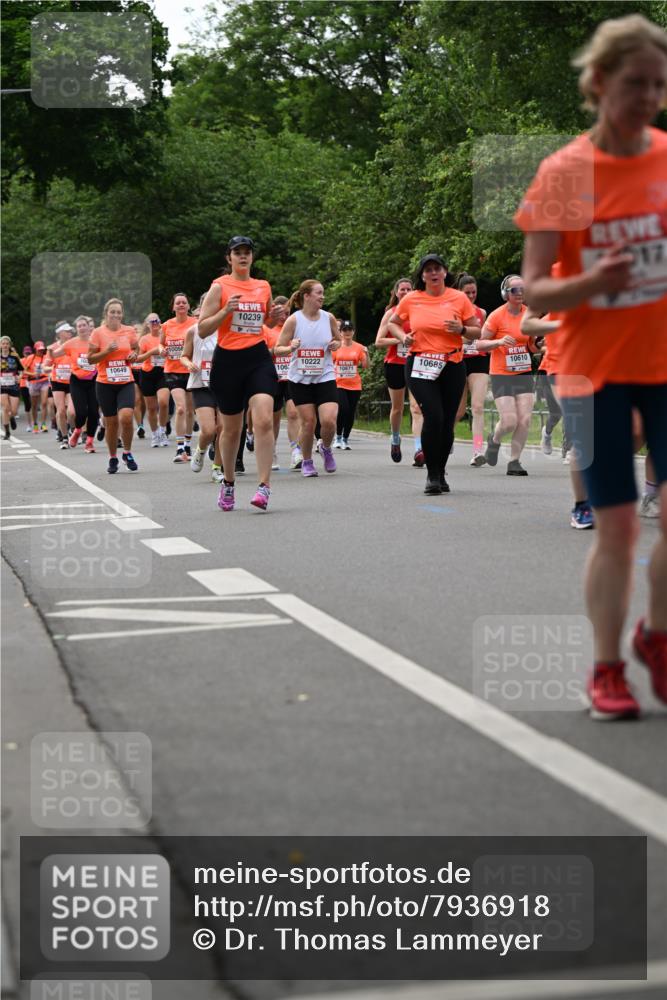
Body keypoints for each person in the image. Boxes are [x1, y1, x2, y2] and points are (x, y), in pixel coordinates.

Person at [516, 13, 667, 719]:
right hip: (595, 368)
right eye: (635, 83)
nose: (647, 98)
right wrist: (589, 285)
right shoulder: (564, 172)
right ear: (598, 82)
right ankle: (606, 666)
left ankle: (655, 638)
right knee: (617, 527)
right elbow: (534, 288)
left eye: (659, 86)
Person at [387, 255, 479, 494]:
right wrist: (402, 337)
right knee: (434, 416)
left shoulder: (458, 298)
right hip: (421, 363)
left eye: (437, 269)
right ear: (423, 275)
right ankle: (431, 475)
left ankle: (440, 471)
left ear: (445, 272)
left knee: (447, 422)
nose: (433, 273)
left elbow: (477, 331)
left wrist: (462, 329)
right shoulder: (412, 299)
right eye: (428, 270)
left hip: (452, 363)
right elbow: (393, 323)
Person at [197, 236, 276, 511]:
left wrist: (272, 319)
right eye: (237, 253)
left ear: (252, 257)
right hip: (228, 361)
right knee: (231, 430)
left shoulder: (262, 287)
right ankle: (228, 482)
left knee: (264, 418)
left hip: (257, 358)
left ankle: (264, 486)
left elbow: (261, 322)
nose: (243, 257)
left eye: (247, 253)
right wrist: (225, 313)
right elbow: (203, 329)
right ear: (229, 258)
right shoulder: (219, 287)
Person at [522, 289, 594, 528]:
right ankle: (582, 505)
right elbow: (528, 325)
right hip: (561, 368)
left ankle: (605, 491)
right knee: (579, 427)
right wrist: (559, 323)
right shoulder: (552, 279)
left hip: (598, 366)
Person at [276, 280, 340, 478]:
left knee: (328, 421)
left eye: (323, 293)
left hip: (325, 375)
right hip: (300, 379)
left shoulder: (328, 318)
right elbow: (278, 348)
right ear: (306, 296)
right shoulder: (294, 320)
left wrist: (335, 345)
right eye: (318, 293)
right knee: (309, 422)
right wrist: (290, 347)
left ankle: (325, 447)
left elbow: (338, 339)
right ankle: (307, 461)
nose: (322, 296)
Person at [476, 275, 537, 476]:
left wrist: (540, 346)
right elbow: (479, 344)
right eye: (514, 290)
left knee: (525, 419)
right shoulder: (496, 316)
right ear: (505, 293)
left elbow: (532, 346)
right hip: (502, 373)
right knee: (510, 420)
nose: (519, 293)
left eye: (522, 289)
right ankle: (494, 439)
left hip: (524, 372)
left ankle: (514, 461)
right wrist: (499, 342)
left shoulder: (530, 314)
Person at [375, 278, 424, 465]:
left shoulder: (419, 312)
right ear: (396, 293)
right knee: (397, 409)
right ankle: (395, 438)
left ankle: (419, 448)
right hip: (395, 364)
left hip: (417, 362)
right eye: (402, 289)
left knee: (416, 408)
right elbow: (379, 341)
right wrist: (400, 339)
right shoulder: (391, 314)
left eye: (408, 289)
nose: (405, 292)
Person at [88, 298, 140, 473]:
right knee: (111, 423)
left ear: (122, 314)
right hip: (105, 383)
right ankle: (113, 457)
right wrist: (107, 351)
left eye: (118, 312)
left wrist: (134, 355)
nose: (116, 315)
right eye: (112, 312)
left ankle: (127, 452)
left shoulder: (129, 331)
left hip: (125, 381)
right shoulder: (97, 333)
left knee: (126, 417)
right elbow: (90, 358)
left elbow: (136, 349)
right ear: (106, 314)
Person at [181, 306, 223, 479]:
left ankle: (217, 469)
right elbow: (184, 355)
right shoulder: (193, 331)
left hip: (223, 384)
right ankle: (200, 450)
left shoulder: (224, 329)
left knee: (222, 429)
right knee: (208, 430)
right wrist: (188, 363)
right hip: (200, 383)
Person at [263, 296, 303, 470]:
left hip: (293, 376)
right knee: (274, 418)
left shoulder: (296, 327)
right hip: (273, 377)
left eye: (286, 313)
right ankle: (271, 452)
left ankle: (296, 451)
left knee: (294, 413)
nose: (283, 317)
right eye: (280, 313)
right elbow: (261, 353)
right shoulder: (266, 329)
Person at [454, 274, 489, 466]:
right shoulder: (452, 312)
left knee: (477, 407)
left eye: (474, 292)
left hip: (478, 361)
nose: (471, 295)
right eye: (467, 292)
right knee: (457, 412)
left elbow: (484, 335)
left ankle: (477, 450)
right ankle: (446, 439)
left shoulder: (481, 313)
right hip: (458, 360)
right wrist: (464, 338)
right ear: (460, 293)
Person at [51, 316, 99, 452]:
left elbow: (104, 356)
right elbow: (55, 355)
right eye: (79, 326)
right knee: (80, 412)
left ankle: (89, 442)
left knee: (94, 413)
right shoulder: (71, 343)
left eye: (84, 325)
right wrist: (50, 352)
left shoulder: (96, 342)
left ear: (89, 327)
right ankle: (77, 431)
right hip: (77, 380)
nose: (82, 328)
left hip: (94, 379)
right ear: (76, 329)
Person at [161, 293, 196, 463]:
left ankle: (188, 445)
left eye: (184, 302)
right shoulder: (166, 325)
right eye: (178, 303)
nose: (181, 305)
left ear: (188, 306)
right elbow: (161, 343)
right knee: (181, 408)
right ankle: (180, 447)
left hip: (191, 370)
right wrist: (161, 349)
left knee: (190, 410)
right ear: (173, 307)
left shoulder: (195, 324)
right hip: (172, 370)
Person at [332, 321, 368, 448]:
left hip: (354, 384)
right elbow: (330, 363)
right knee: (343, 409)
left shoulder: (359, 347)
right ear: (340, 332)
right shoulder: (336, 347)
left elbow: (365, 366)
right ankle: (338, 437)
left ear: (353, 331)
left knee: (351, 412)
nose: (347, 332)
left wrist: (367, 354)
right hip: (339, 383)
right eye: (344, 329)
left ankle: (345, 438)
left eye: (349, 329)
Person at [136, 314, 170, 448]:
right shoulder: (144, 339)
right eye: (152, 321)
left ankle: (162, 430)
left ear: (161, 323)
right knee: (151, 408)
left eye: (157, 320)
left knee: (163, 402)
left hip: (163, 372)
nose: (155, 323)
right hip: (147, 374)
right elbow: (138, 359)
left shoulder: (166, 336)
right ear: (148, 324)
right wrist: (152, 352)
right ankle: (155, 434)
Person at [46, 322, 76, 448]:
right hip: (57, 381)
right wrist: (46, 368)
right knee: (61, 410)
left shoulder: (73, 345)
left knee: (72, 412)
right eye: (67, 331)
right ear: (60, 333)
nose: (70, 333)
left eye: (70, 331)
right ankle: (64, 438)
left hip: (72, 381)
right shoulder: (52, 348)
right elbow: (46, 364)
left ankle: (74, 430)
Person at [22, 341, 50, 433]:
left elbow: (50, 367)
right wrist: (33, 373)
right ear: (35, 350)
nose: (41, 352)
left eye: (42, 350)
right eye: (39, 350)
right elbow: (24, 371)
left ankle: (43, 424)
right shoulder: (30, 358)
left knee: (44, 403)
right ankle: (35, 424)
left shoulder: (46, 358)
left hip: (44, 381)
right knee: (34, 405)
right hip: (33, 382)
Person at [1, 336, 22, 439]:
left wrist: (20, 377)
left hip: (13, 385)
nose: (5, 345)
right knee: (5, 408)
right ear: (0, 345)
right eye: (3, 344)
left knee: (13, 410)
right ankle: (7, 432)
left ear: (9, 345)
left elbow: (22, 370)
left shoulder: (14, 357)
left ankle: (12, 417)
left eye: (6, 344)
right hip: (2, 386)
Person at [19, 346, 33, 430]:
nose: (27, 355)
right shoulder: (20, 361)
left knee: (33, 404)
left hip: (32, 383)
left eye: (29, 353)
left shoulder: (33, 360)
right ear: (23, 353)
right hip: (23, 383)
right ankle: (29, 424)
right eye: (26, 353)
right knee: (27, 404)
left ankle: (34, 423)